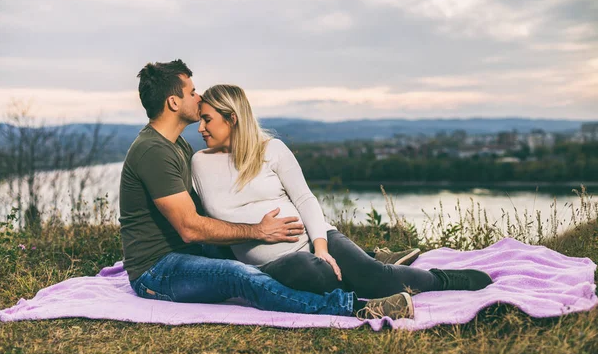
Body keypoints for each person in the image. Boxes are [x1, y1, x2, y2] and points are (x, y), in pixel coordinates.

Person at [120, 59, 417, 321]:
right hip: (158, 270)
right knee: (238, 275)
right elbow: (189, 228)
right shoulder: (153, 152)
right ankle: (352, 309)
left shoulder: (176, 145)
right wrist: (258, 232)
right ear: (173, 102)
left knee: (235, 251)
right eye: (192, 91)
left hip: (190, 252)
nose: (199, 97)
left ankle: (369, 260)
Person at [191, 84, 493, 302]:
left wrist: (321, 247)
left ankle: (440, 279)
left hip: (316, 238)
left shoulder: (271, 150)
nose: (201, 127)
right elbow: (203, 221)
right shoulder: (200, 164)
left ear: (232, 118)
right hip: (271, 263)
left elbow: (305, 199)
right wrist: (256, 233)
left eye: (207, 119)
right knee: (312, 272)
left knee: (377, 280)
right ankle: (358, 280)